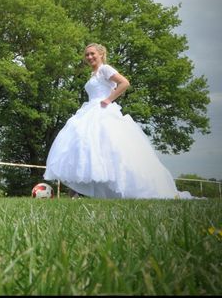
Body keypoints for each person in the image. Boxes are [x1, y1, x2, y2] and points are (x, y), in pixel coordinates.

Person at [43, 43, 192, 199]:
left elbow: (124, 83)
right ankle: (77, 193)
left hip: (102, 111)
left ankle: (128, 187)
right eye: (87, 55)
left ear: (101, 54)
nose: (89, 57)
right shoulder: (93, 74)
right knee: (84, 148)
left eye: (92, 53)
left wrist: (108, 99)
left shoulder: (105, 69)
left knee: (111, 150)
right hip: (89, 110)